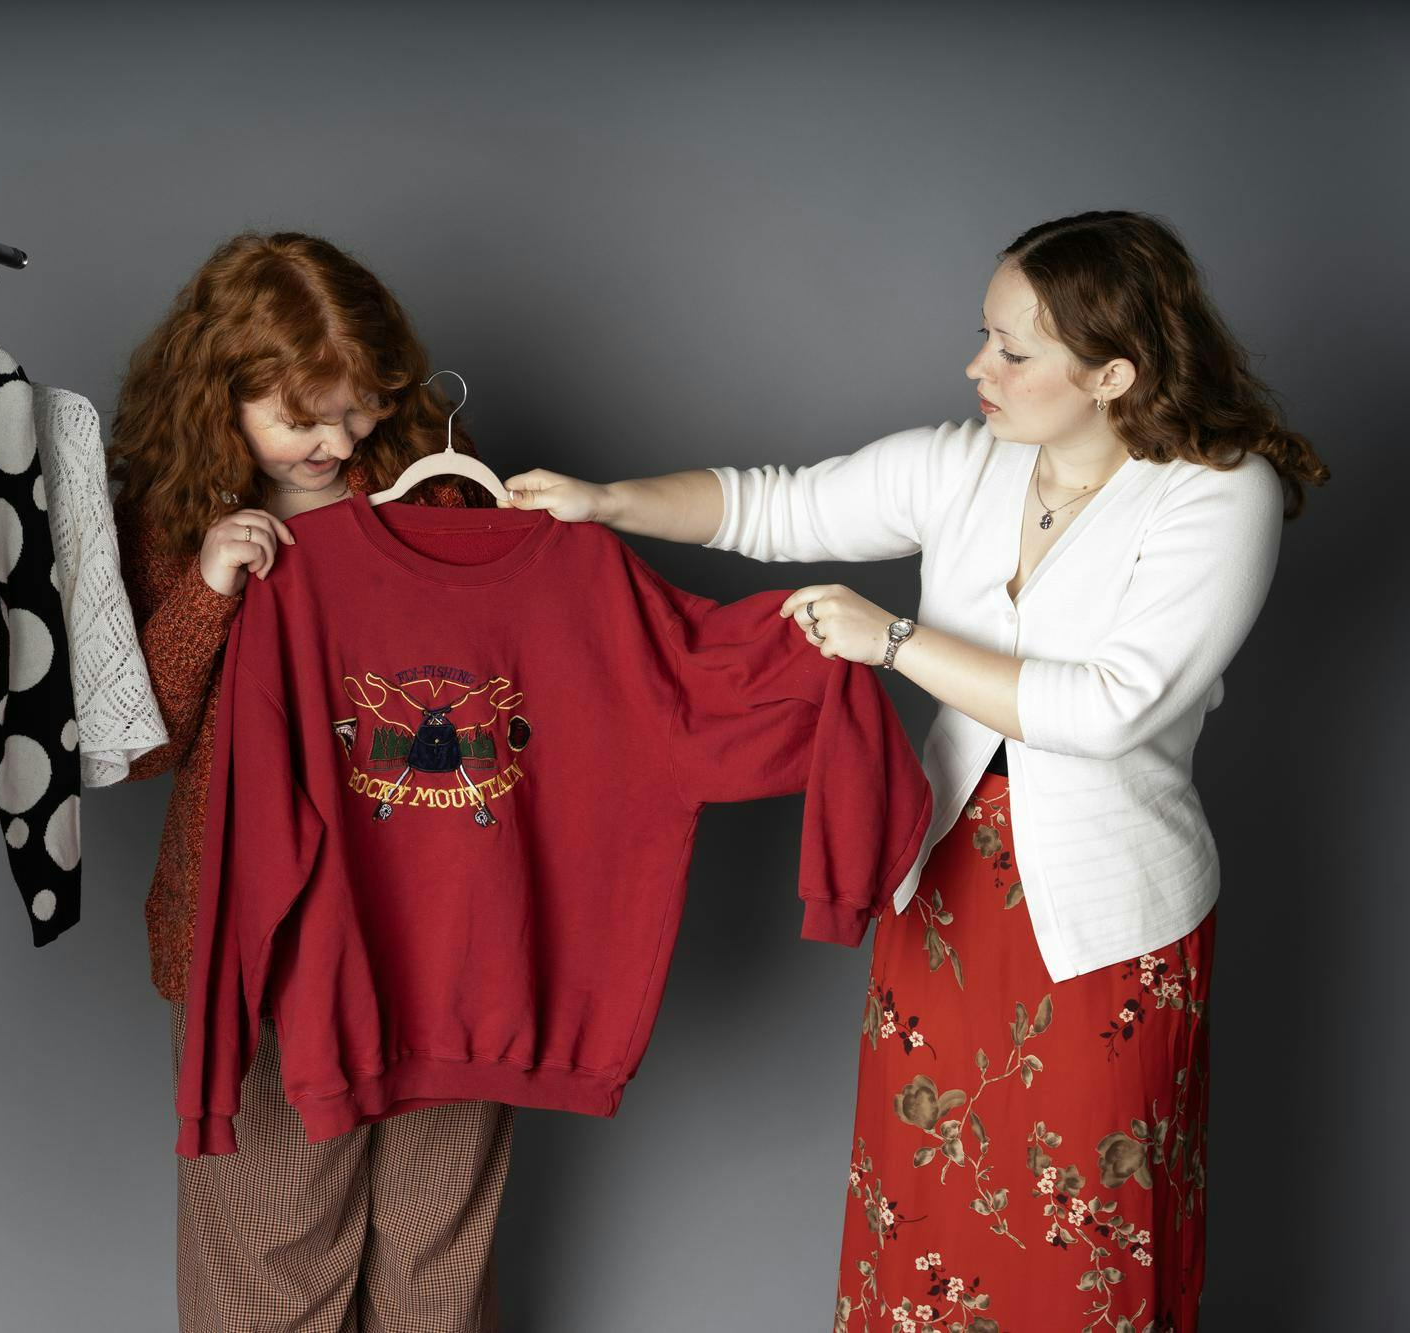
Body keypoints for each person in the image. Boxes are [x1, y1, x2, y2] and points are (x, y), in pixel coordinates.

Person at [504, 210, 1327, 1333]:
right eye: (982, 334)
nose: (975, 366)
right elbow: (770, 501)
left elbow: (1110, 708)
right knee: (926, 1203)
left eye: (1012, 351)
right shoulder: (965, 465)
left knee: (1085, 1218)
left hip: (1105, 920)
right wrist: (606, 502)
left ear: (1112, 373)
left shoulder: (1214, 494)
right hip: (939, 891)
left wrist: (892, 641)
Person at [110, 232, 508, 1332]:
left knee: (439, 1251)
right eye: (302, 417)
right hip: (261, 935)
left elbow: (516, 692)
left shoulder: (442, 488)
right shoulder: (168, 515)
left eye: (361, 408)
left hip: (436, 916)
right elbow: (137, 740)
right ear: (220, 399)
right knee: (271, 1250)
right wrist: (204, 589)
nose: (336, 440)